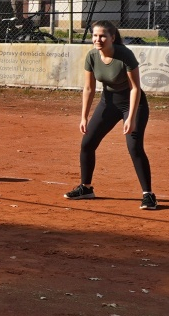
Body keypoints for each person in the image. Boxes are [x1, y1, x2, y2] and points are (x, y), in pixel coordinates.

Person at [64, 20, 156, 210]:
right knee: (87, 143)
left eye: (103, 36)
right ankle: (86, 188)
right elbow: (89, 88)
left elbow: (135, 88)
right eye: (95, 35)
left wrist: (131, 117)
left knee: (134, 146)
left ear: (112, 38)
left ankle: (148, 195)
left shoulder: (124, 55)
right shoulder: (92, 56)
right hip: (108, 103)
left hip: (133, 104)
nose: (98, 39)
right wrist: (84, 116)